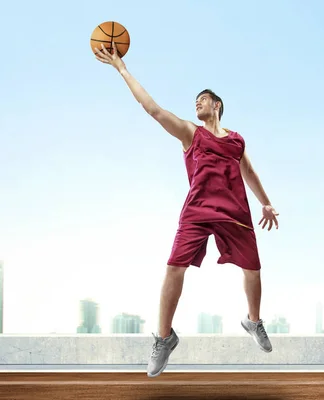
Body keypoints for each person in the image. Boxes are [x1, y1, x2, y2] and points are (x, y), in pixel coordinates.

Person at [94, 43, 279, 377]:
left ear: (218, 105)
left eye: (204, 99)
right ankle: (163, 338)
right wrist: (121, 69)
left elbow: (249, 172)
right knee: (174, 268)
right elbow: (152, 108)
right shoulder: (190, 133)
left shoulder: (236, 141)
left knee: (253, 270)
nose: (198, 103)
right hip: (196, 210)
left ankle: (253, 322)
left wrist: (265, 201)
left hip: (235, 213)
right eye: (196, 101)